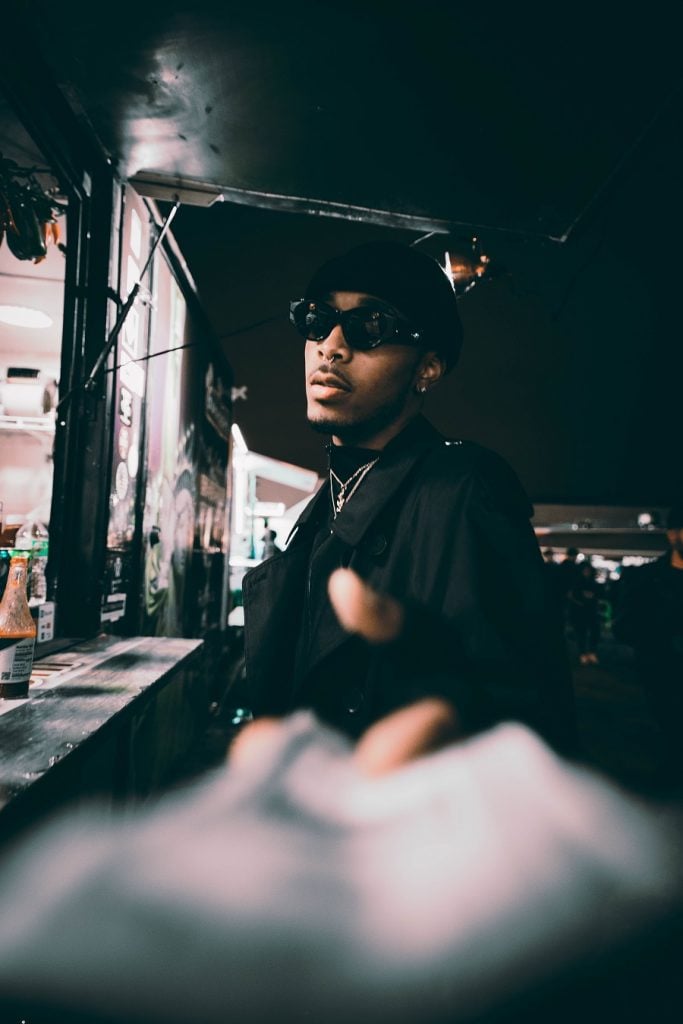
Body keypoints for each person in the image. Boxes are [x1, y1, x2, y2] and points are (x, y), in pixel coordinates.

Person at [242, 240, 576, 752]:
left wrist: (441, 690)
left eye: (369, 326)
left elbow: (522, 710)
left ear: (428, 369)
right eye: (317, 321)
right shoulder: (321, 507)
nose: (331, 346)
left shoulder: (466, 489)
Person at [613, 502, 683, 782]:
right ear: (672, 534)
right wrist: (663, 635)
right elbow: (623, 627)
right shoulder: (644, 579)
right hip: (665, 672)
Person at [568, 560, 602, 665]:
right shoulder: (576, 583)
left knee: (594, 632)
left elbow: (598, 595)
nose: (586, 572)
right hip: (580, 611)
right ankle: (583, 653)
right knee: (581, 633)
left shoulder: (593, 582)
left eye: (588, 570)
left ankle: (591, 653)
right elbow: (572, 596)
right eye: (585, 570)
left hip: (591, 611)